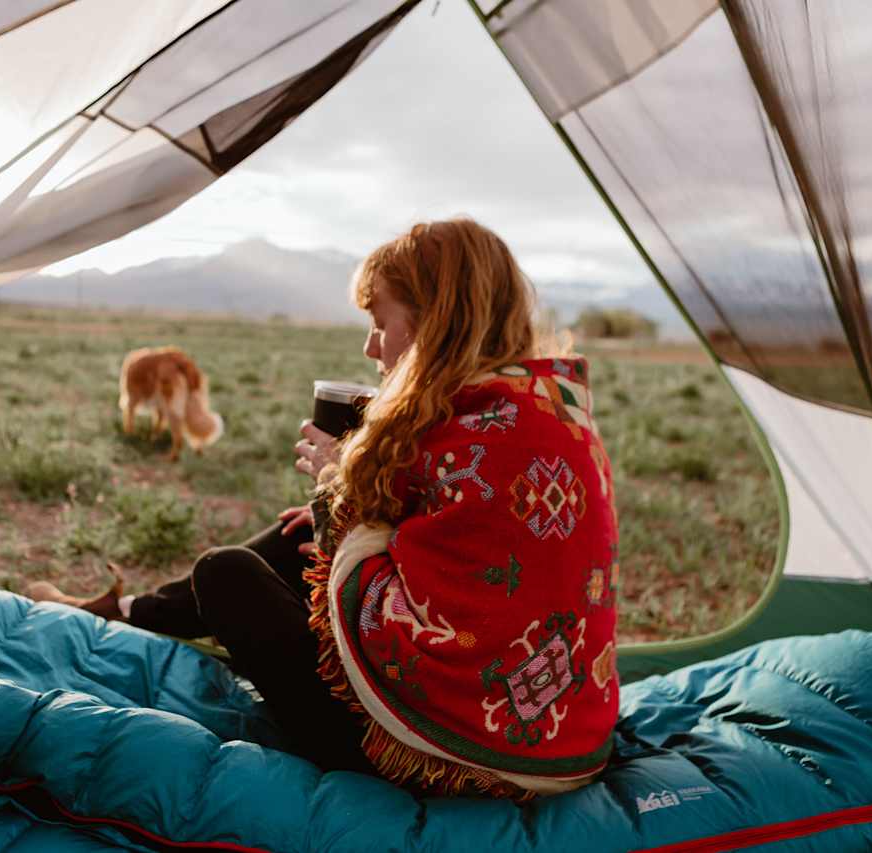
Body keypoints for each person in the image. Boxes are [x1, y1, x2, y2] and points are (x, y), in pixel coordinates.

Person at [30, 219, 619, 798]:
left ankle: (125, 611)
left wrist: (339, 490)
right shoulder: (539, 411)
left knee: (226, 574)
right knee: (298, 540)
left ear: (435, 322)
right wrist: (341, 522)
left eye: (380, 322)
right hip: (567, 734)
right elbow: (463, 556)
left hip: (454, 750)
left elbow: (428, 620)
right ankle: (129, 610)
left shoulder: (471, 434)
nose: (370, 347)